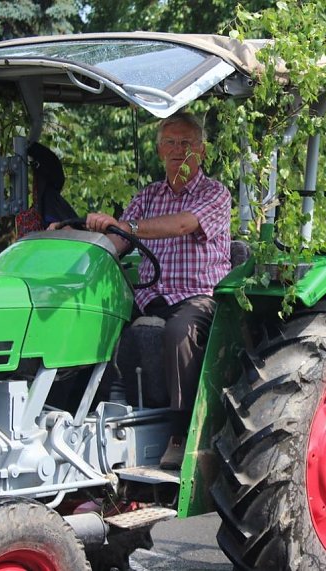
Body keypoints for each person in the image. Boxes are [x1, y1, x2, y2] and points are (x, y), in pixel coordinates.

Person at [83, 112, 232, 469]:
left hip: (199, 296)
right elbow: (119, 241)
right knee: (97, 318)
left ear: (202, 151)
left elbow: (182, 225)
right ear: (159, 150)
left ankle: (181, 436)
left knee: (180, 332)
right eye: (171, 143)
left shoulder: (215, 194)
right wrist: (88, 238)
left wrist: (127, 227)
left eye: (187, 143)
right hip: (151, 297)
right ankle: (90, 412)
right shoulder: (148, 196)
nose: (179, 150)